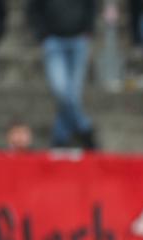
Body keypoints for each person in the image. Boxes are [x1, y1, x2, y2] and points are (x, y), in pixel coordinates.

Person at [26, 0, 99, 149]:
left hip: (78, 39)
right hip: (53, 40)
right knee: (61, 90)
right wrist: (42, 34)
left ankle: (60, 137)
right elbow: (33, 8)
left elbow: (92, 5)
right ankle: (85, 128)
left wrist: (88, 28)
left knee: (72, 94)